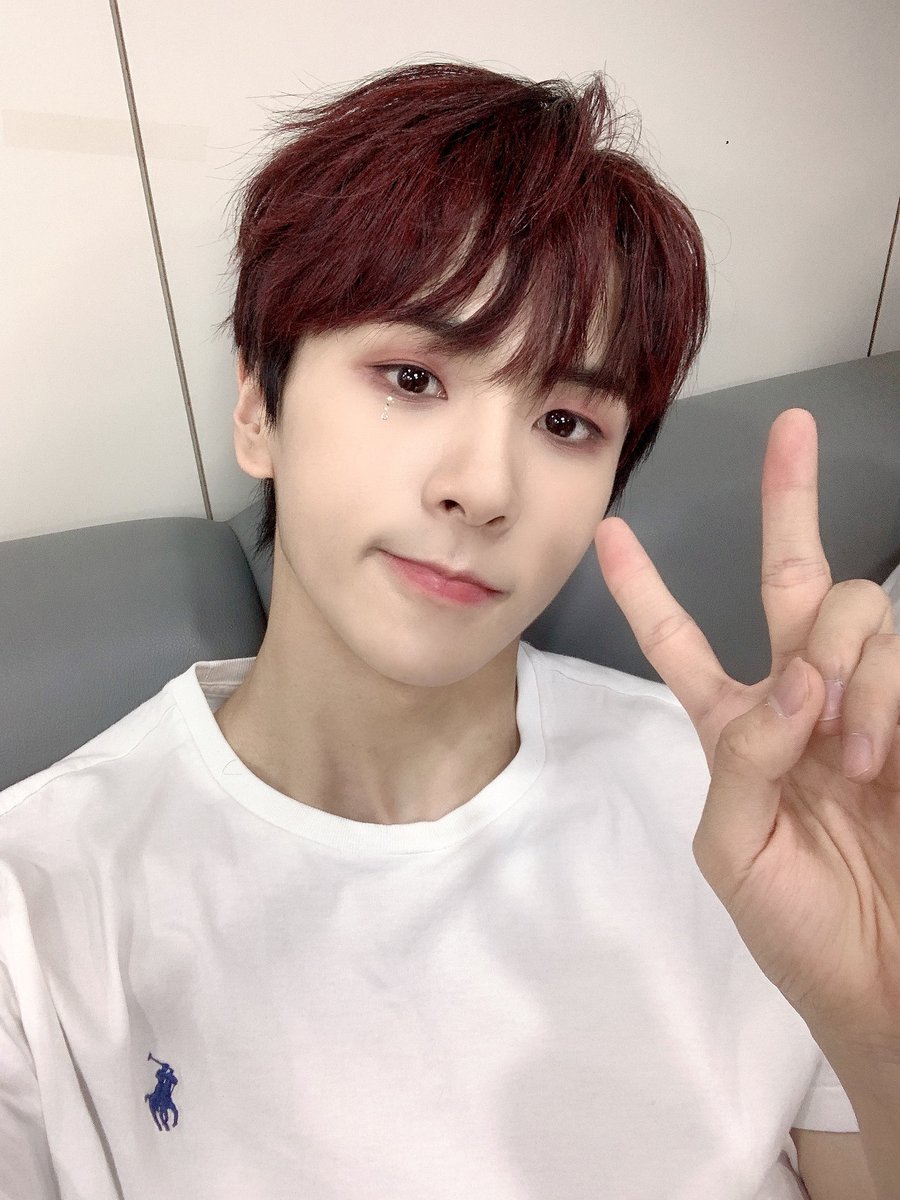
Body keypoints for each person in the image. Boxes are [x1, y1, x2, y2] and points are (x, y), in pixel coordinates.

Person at [1, 60, 897, 1200]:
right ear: (258, 408)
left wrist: (880, 1024)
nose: (484, 487)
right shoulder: (37, 914)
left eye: (565, 421)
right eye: (414, 377)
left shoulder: (745, 808)